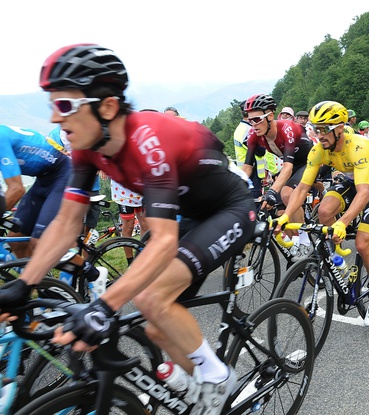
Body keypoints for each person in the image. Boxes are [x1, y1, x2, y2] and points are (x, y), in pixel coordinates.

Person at [0, 44, 255, 415]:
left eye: (66, 105)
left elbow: (164, 240)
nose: (57, 118)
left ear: (106, 107)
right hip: (193, 214)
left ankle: (219, 380)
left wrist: (103, 306)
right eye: (53, 105)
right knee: (156, 327)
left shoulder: (148, 141)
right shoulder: (88, 147)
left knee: (151, 298)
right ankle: (211, 393)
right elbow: (68, 221)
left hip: (231, 208)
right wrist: (25, 284)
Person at [275, 101, 369, 326]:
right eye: (316, 129)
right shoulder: (319, 149)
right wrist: (285, 216)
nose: (319, 135)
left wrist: (344, 222)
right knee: (325, 212)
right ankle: (337, 259)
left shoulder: (357, 147)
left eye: (324, 129)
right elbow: (302, 188)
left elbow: (364, 192)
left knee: (363, 244)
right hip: (349, 180)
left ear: (339, 128)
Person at [241, 94, 314, 258]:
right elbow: (247, 166)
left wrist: (273, 190)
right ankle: (294, 240)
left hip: (309, 161)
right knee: (278, 210)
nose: (253, 124)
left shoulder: (286, 128)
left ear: (270, 116)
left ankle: (305, 240)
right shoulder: (254, 134)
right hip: (293, 165)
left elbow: (287, 167)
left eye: (257, 119)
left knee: (287, 193)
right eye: (250, 120)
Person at [0, 124, 70, 258]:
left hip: (62, 174)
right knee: (15, 240)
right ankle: (33, 278)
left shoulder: (0, 139)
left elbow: (16, 189)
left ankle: (91, 273)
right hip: (42, 179)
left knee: (39, 242)